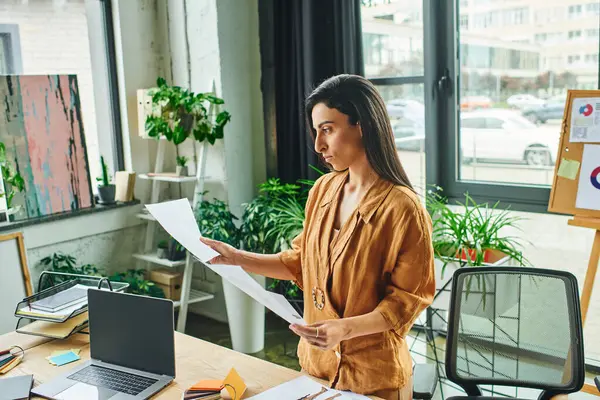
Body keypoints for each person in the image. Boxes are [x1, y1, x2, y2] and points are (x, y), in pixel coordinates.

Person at [200, 74, 435, 400]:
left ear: (362, 125)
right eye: (316, 131)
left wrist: (345, 329)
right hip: (316, 371)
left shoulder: (402, 208)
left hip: (374, 381)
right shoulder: (324, 190)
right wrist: (238, 258)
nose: (318, 145)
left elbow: (407, 302)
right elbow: (300, 262)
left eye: (328, 129)